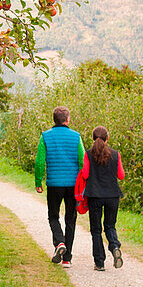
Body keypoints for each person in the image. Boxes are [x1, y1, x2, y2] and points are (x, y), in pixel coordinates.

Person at [35, 105, 85, 267]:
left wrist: (38, 181)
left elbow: (39, 162)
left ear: (54, 119)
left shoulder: (45, 136)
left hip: (54, 184)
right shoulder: (76, 137)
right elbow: (83, 161)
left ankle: (59, 243)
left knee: (53, 216)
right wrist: (84, 184)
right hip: (73, 185)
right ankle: (67, 258)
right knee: (70, 219)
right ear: (68, 119)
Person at [77, 126, 125, 271]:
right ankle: (115, 246)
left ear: (93, 138)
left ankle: (99, 263)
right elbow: (121, 175)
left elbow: (85, 174)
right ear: (107, 138)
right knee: (110, 226)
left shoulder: (89, 154)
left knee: (96, 230)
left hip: (95, 195)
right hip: (112, 196)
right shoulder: (115, 154)